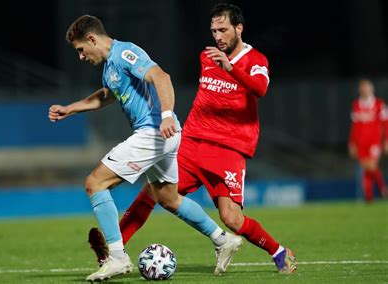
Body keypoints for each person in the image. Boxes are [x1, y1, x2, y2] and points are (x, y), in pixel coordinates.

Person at [89, 3, 297, 275]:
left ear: (239, 28)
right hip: (191, 142)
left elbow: (260, 88)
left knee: (231, 219)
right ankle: (113, 253)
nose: (218, 36)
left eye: (223, 30)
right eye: (214, 31)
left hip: (228, 149)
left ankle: (278, 251)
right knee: (151, 194)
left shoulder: (255, 60)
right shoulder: (207, 56)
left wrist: (231, 68)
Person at [49, 15, 242, 281]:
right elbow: (108, 94)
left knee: (95, 183)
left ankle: (117, 258)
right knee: (169, 199)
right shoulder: (110, 67)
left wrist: (164, 115)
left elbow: (161, 76)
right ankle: (222, 239)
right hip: (164, 134)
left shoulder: (125, 52)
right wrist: (71, 108)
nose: (81, 56)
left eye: (81, 49)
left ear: (92, 39)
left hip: (155, 132)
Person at [348, 78, 388, 202]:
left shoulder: (379, 104)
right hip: (361, 143)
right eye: (362, 88)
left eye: (366, 87)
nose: (364, 90)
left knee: (371, 165)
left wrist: (386, 140)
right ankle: (369, 197)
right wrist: (352, 143)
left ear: (371, 89)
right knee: (367, 169)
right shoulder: (356, 105)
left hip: (374, 141)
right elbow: (354, 126)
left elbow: (386, 124)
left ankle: (383, 188)